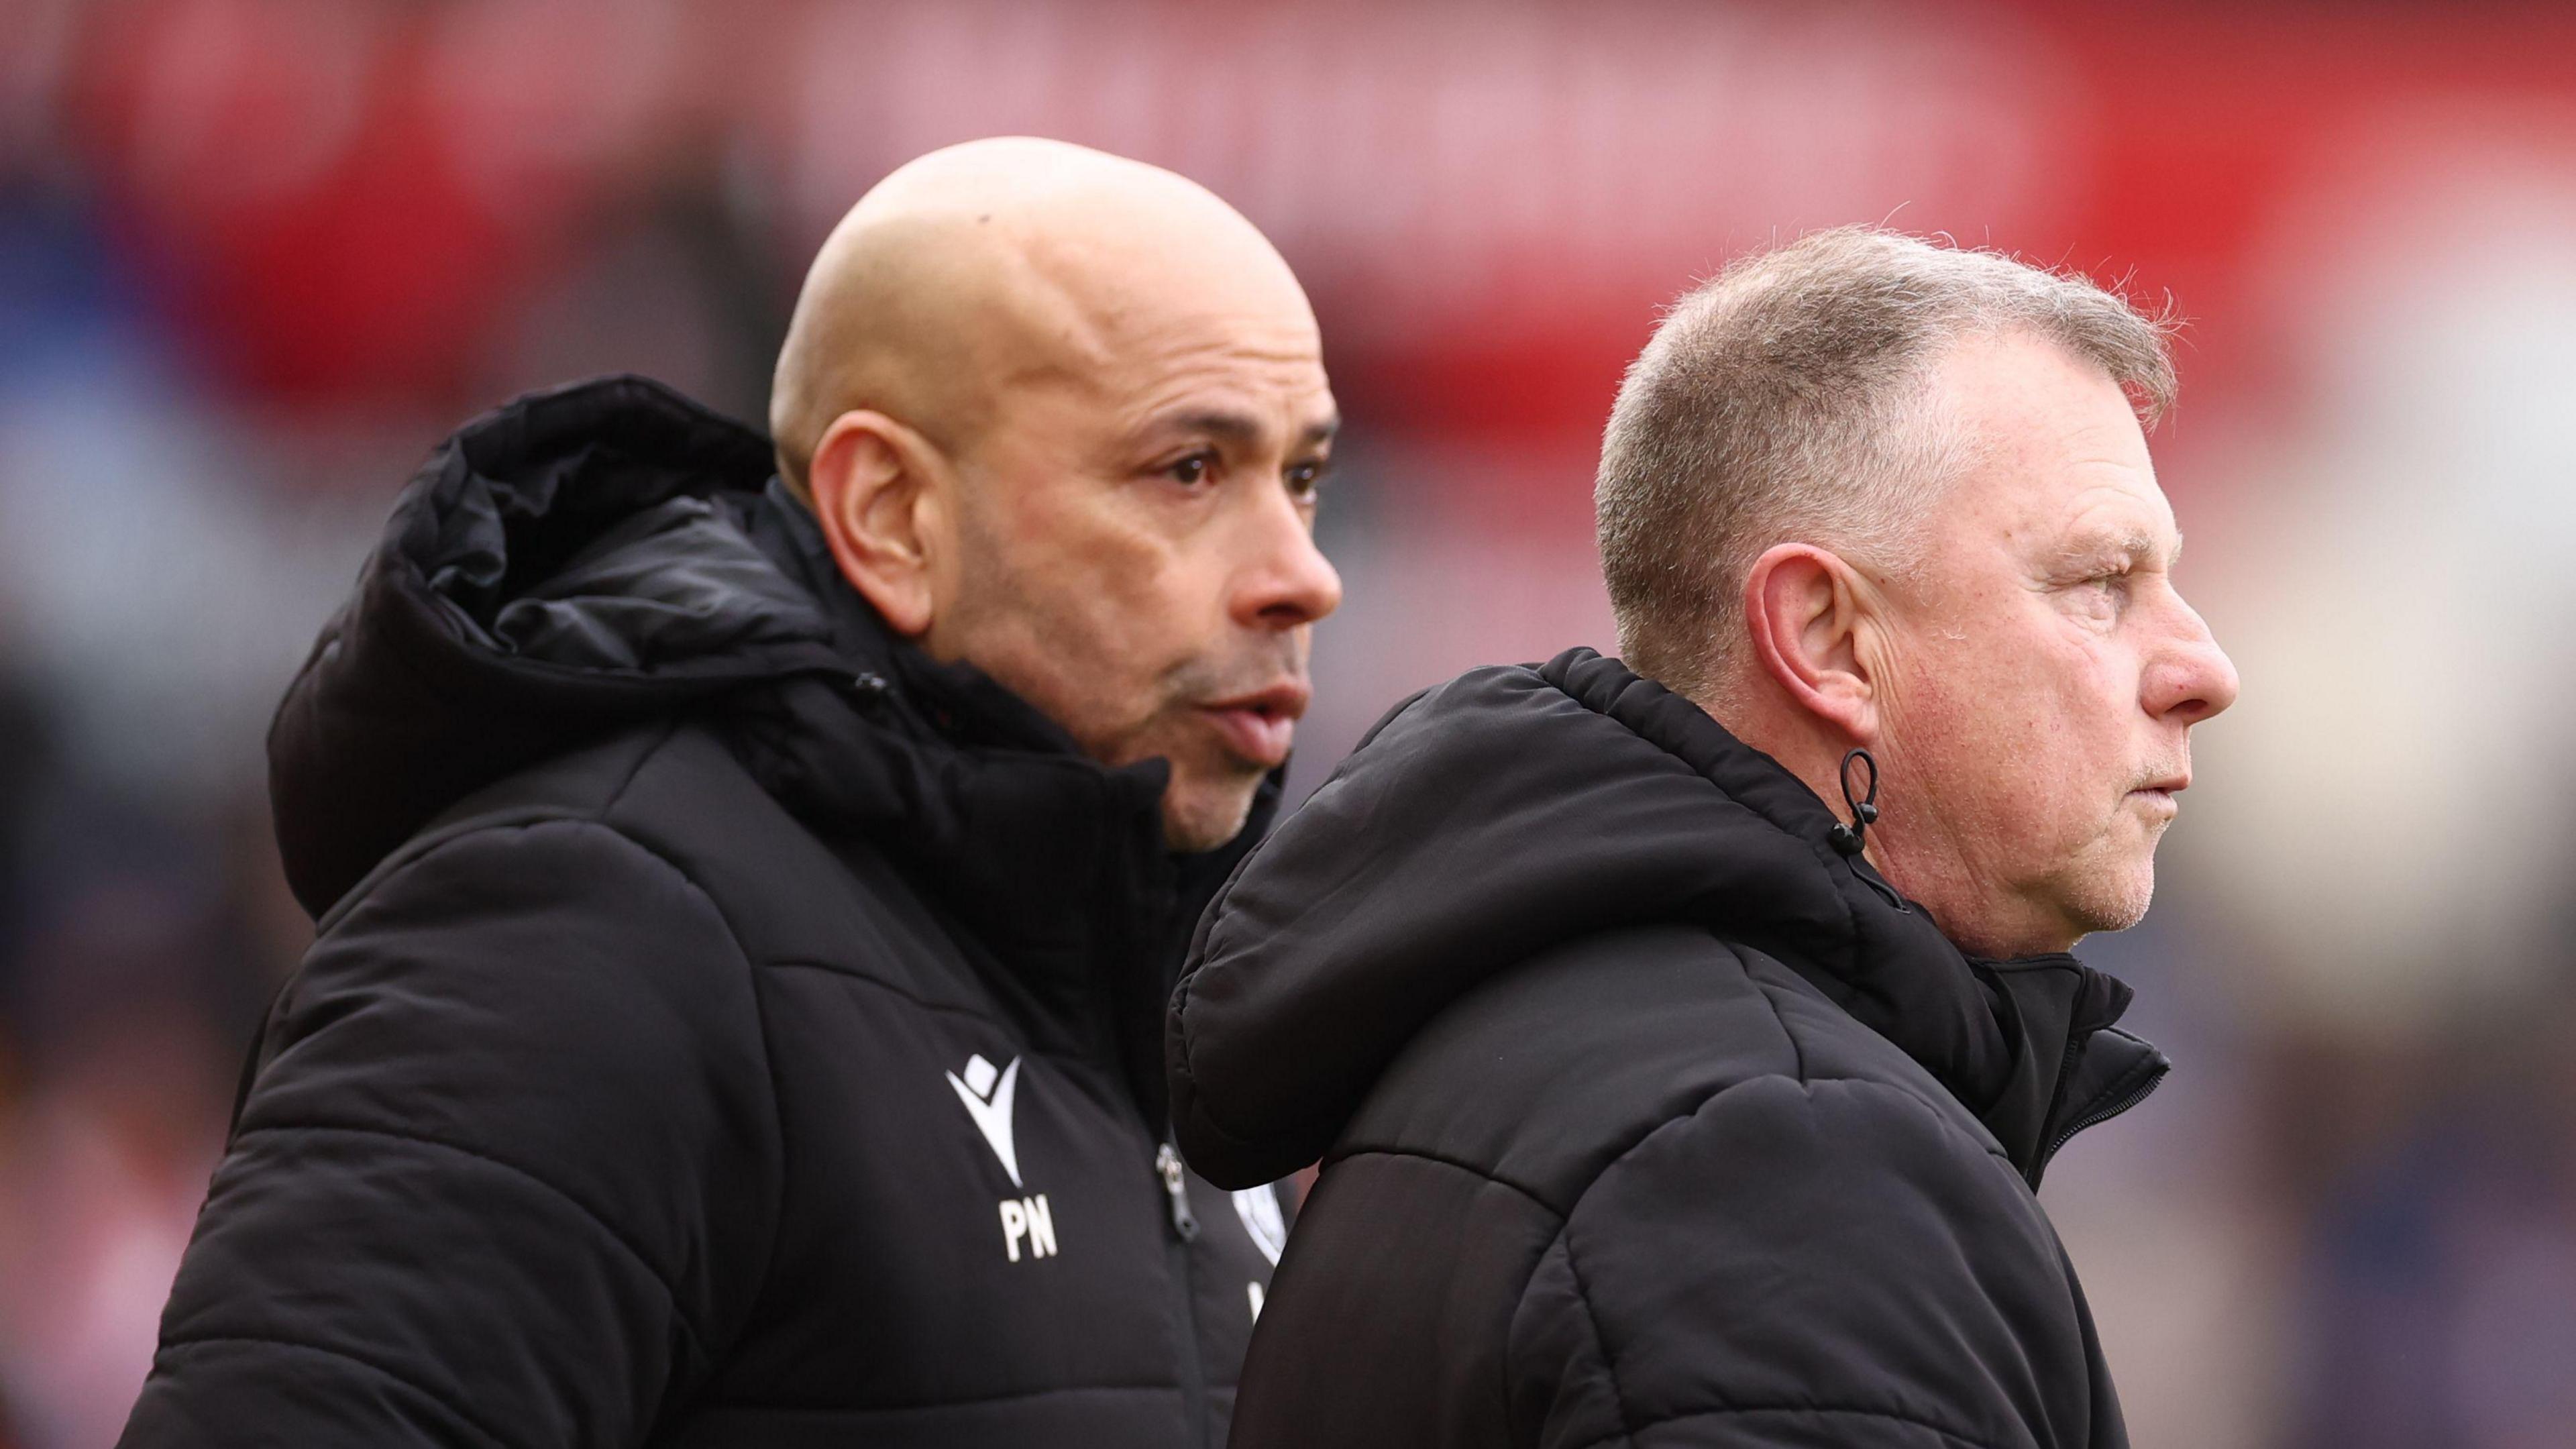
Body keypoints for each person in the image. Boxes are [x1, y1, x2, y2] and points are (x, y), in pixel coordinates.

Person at [121, 136, 1340, 1448]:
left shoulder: (1168, 989)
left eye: (1305, 477)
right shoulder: (589, 930)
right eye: (1189, 471)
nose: (1300, 575)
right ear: (888, 514)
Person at [1168, 227, 2240, 1448]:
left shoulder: (1541, 1045)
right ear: (1829, 639)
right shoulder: (1784, 1159)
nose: (2203, 668)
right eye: (2101, 580)